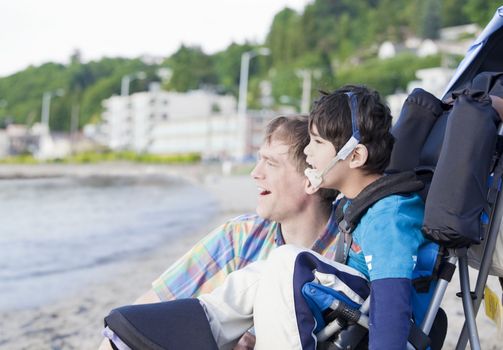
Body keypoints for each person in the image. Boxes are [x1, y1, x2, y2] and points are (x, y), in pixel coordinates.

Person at [104, 85, 431, 350]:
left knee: (287, 261)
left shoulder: (389, 215)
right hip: (348, 308)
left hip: (372, 323)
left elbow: (391, 309)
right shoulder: (358, 208)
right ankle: (191, 330)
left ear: (355, 155)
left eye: (317, 143)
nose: (308, 153)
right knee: (258, 274)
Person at [100, 114, 339, 350]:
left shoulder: (350, 249)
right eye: (259, 160)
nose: (255, 173)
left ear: (312, 177)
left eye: (271, 163)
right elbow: (154, 304)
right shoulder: (242, 235)